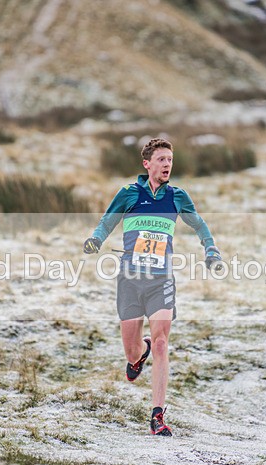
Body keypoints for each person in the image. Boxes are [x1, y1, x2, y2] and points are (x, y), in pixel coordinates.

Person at [83, 137, 222, 436]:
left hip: (161, 280)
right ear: (147, 164)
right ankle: (139, 352)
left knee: (161, 343)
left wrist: (211, 249)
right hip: (130, 280)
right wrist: (96, 238)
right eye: (161, 159)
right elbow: (108, 221)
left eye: (170, 160)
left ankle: (157, 415)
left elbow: (199, 224)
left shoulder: (177, 196)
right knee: (132, 352)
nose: (167, 165)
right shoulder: (129, 194)